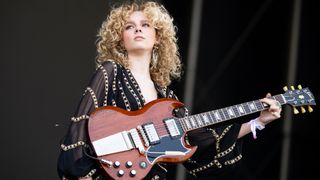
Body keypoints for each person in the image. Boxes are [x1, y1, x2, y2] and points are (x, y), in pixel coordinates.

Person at [57, 1, 282, 179]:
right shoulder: (111, 72)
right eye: (129, 26)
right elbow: (81, 125)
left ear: (157, 37)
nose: (137, 29)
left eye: (145, 24)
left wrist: (257, 122)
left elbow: (200, 142)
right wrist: (81, 176)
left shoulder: (166, 98)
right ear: (120, 39)